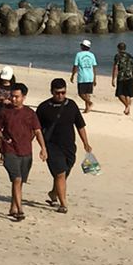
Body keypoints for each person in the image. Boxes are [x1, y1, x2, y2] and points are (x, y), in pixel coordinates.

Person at [36, 78, 92, 214]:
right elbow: (36, 129)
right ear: (51, 92)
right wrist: (42, 148)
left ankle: (53, 193)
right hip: (52, 146)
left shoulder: (72, 105)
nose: (60, 95)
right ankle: (63, 204)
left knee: (63, 174)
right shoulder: (44, 107)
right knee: (60, 174)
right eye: (57, 93)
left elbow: (80, 126)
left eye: (63, 93)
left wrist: (86, 143)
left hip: (69, 147)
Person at [0, 83, 47, 221]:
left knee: (19, 181)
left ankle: (13, 207)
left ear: (24, 97)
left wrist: (43, 148)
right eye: (12, 96)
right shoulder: (4, 111)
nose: (13, 99)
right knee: (16, 179)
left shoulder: (30, 113)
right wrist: (3, 138)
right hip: (10, 151)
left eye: (17, 97)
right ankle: (20, 210)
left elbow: (37, 131)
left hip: (26, 152)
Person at [71, 39, 97, 113]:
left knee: (81, 93)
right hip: (90, 76)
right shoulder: (92, 55)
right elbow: (94, 67)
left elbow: (75, 66)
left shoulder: (78, 55)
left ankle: (89, 103)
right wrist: (95, 78)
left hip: (82, 76)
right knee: (87, 93)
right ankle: (87, 108)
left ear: (82, 46)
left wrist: (73, 75)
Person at [111, 42, 133, 115]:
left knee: (119, 94)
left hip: (121, 77)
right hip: (130, 76)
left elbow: (115, 67)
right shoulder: (130, 56)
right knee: (127, 94)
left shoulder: (117, 56)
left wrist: (113, 78)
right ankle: (128, 110)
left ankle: (127, 106)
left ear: (118, 48)